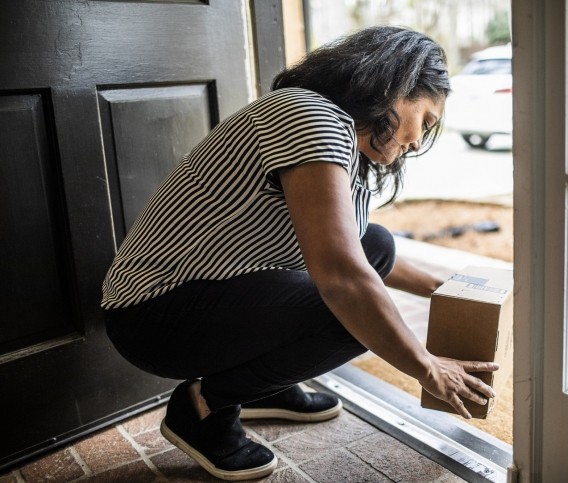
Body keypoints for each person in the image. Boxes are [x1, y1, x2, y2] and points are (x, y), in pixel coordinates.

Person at [101, 25, 499, 481]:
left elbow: (359, 251)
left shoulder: (339, 136)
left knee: (377, 244)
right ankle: (205, 407)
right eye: (424, 122)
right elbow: (343, 278)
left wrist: (444, 288)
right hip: (151, 316)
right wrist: (427, 368)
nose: (415, 143)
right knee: (352, 315)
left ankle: (263, 385)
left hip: (205, 294)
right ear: (394, 86)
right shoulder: (310, 117)